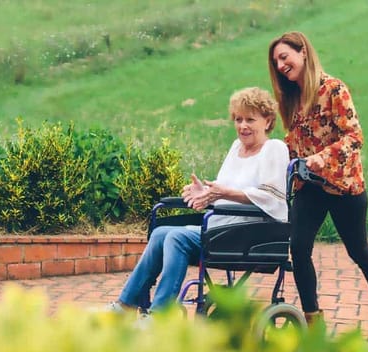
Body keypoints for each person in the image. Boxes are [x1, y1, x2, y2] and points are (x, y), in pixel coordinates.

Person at [108, 87, 289, 315]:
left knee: (176, 236)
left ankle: (160, 313)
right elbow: (224, 188)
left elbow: (272, 198)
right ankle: (125, 305)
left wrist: (222, 193)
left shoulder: (274, 149)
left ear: (268, 120)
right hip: (220, 227)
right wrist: (204, 192)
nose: (242, 126)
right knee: (160, 232)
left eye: (250, 119)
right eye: (238, 119)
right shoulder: (236, 148)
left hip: (249, 233)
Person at [267, 31, 368, 342]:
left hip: (343, 185)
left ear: (303, 52)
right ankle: (314, 327)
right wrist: (272, 155)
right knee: (299, 248)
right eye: (276, 63)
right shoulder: (292, 99)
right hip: (309, 188)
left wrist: (321, 158)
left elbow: (355, 137)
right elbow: (295, 141)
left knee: (359, 251)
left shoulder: (333, 89)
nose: (282, 65)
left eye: (285, 57)